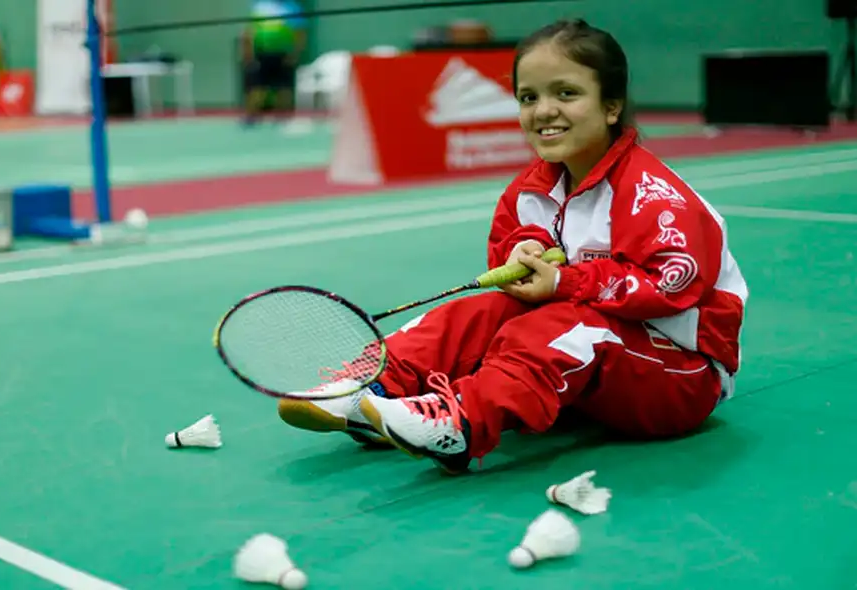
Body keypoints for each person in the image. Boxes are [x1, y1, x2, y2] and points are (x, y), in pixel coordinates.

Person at [276, 18, 749, 474]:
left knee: (569, 321)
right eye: (529, 97)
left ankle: (458, 421)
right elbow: (514, 238)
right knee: (484, 311)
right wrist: (522, 257)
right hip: (596, 376)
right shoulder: (530, 190)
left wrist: (565, 281)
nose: (543, 110)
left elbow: (670, 287)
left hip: (681, 375)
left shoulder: (653, 196)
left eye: (566, 93)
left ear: (611, 106)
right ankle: (370, 389)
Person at [241, 0, 307, 125]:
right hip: (262, 53)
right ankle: (251, 118)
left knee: (284, 89)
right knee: (257, 87)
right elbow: (249, 31)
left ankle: (283, 119)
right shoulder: (259, 7)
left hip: (283, 53)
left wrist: (295, 54)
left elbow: (300, 32)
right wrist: (248, 53)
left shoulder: (292, 8)